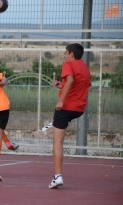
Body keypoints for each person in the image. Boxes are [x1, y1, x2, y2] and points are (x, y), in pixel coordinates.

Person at [49, 43, 91, 189]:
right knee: (58, 130)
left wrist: (61, 100)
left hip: (66, 107)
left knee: (57, 142)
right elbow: (78, 84)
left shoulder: (68, 64)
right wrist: (61, 85)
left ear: (72, 54)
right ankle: (53, 124)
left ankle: (57, 176)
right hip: (79, 109)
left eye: (66, 53)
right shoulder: (85, 68)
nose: (64, 55)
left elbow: (72, 80)